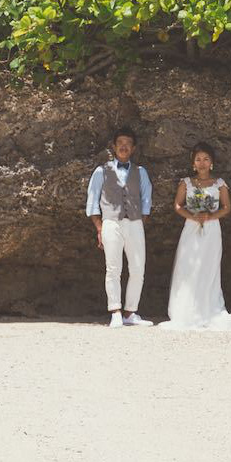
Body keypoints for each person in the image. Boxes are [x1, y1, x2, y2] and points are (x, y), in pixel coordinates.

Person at [163, 143, 231, 331]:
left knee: (209, 267)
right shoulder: (186, 183)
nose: (202, 163)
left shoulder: (219, 184)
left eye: (206, 159)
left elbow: (226, 207)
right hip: (191, 227)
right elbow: (177, 205)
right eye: (198, 159)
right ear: (193, 163)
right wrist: (192, 216)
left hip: (211, 229)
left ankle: (207, 308)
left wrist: (210, 217)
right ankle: (185, 310)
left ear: (212, 163)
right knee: (187, 267)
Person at [84, 127, 153, 327]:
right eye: (120, 143)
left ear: (133, 148)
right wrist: (99, 227)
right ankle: (115, 311)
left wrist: (140, 223)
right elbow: (92, 201)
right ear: (114, 147)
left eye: (128, 144)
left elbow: (146, 200)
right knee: (113, 268)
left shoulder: (140, 172)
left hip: (135, 222)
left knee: (138, 268)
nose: (124, 147)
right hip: (110, 222)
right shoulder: (101, 171)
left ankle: (130, 312)